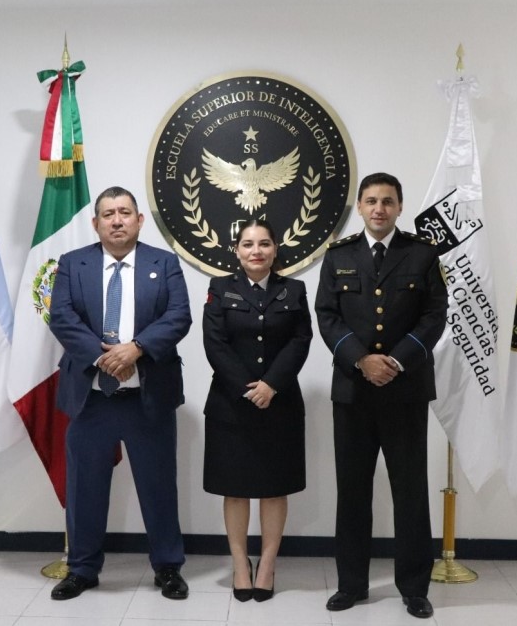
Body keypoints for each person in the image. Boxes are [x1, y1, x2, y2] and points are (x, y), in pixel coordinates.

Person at [47, 186, 193, 601]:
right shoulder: (73, 264)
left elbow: (178, 316)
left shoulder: (163, 263)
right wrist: (102, 356)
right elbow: (62, 316)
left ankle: (167, 568)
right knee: (84, 488)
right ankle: (82, 569)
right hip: (92, 398)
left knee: (158, 486)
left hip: (148, 398)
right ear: (96, 223)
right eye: (108, 214)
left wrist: (137, 349)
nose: (116, 220)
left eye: (125, 212)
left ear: (139, 220)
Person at [314, 173, 447, 619]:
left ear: (399, 206)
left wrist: (395, 361)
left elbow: (433, 317)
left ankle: (414, 587)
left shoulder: (423, 254)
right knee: (353, 490)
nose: (378, 209)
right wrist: (361, 360)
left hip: (405, 391)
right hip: (353, 391)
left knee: (410, 491)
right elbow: (327, 316)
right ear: (359, 205)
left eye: (387, 201)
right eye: (370, 201)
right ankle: (351, 584)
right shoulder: (339, 256)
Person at [202, 218, 312, 602]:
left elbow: (301, 340)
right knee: (235, 490)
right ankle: (238, 563)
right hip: (231, 406)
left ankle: (266, 563)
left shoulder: (293, 290)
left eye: (264, 243)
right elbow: (215, 344)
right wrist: (250, 389)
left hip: (279, 404)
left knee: (273, 489)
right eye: (248, 244)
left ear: (275, 248)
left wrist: (272, 385)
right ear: (237, 250)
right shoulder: (219, 289)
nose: (256, 251)